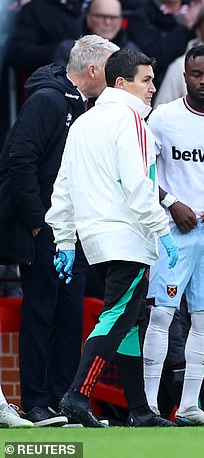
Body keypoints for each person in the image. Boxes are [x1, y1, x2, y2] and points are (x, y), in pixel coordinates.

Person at [45, 49, 179, 428]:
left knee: (129, 322)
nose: (153, 87)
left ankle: (138, 409)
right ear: (121, 83)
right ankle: (78, 394)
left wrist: (66, 241)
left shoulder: (84, 123)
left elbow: (64, 188)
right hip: (128, 236)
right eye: (146, 80)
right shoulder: (132, 119)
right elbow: (138, 185)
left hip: (95, 238)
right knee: (117, 317)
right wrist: (161, 230)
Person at [0, 35, 119, 427]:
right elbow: (19, 160)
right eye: (111, 68)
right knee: (41, 312)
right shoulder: (48, 101)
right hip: (46, 230)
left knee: (69, 316)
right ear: (93, 69)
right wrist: (37, 223)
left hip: (73, 230)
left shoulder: (78, 106)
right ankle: (35, 402)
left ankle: (62, 402)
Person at [142, 45, 204, 427]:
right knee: (161, 314)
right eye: (197, 74)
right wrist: (172, 202)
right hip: (171, 233)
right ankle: (148, 405)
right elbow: (139, 170)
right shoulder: (161, 118)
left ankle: (191, 404)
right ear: (185, 76)